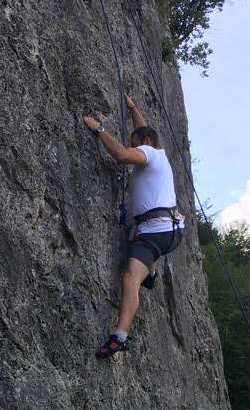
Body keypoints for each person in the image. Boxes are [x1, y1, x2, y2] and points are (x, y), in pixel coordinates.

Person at [83, 93, 185, 360]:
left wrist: (98, 129)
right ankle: (151, 272)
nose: (134, 148)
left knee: (130, 278)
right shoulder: (158, 153)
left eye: (135, 143)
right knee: (137, 244)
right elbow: (144, 131)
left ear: (146, 144)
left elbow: (120, 155)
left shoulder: (148, 152)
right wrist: (133, 108)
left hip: (156, 231)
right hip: (168, 231)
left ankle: (119, 337)